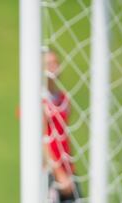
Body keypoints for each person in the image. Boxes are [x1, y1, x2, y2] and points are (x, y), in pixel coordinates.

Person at [42, 49, 82, 202]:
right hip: (51, 172)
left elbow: (64, 134)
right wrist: (59, 174)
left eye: (55, 63)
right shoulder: (38, 100)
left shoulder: (64, 98)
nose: (53, 67)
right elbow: (42, 140)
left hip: (68, 168)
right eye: (48, 64)